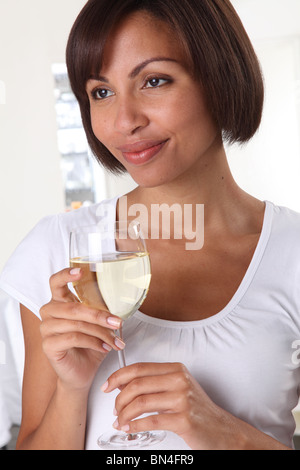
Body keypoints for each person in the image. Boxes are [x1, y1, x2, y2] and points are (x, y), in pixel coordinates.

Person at [0, 0, 299, 450]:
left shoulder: (292, 255)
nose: (125, 122)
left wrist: (227, 435)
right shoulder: (57, 249)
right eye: (102, 92)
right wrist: (72, 389)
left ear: (219, 79)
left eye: (154, 81)